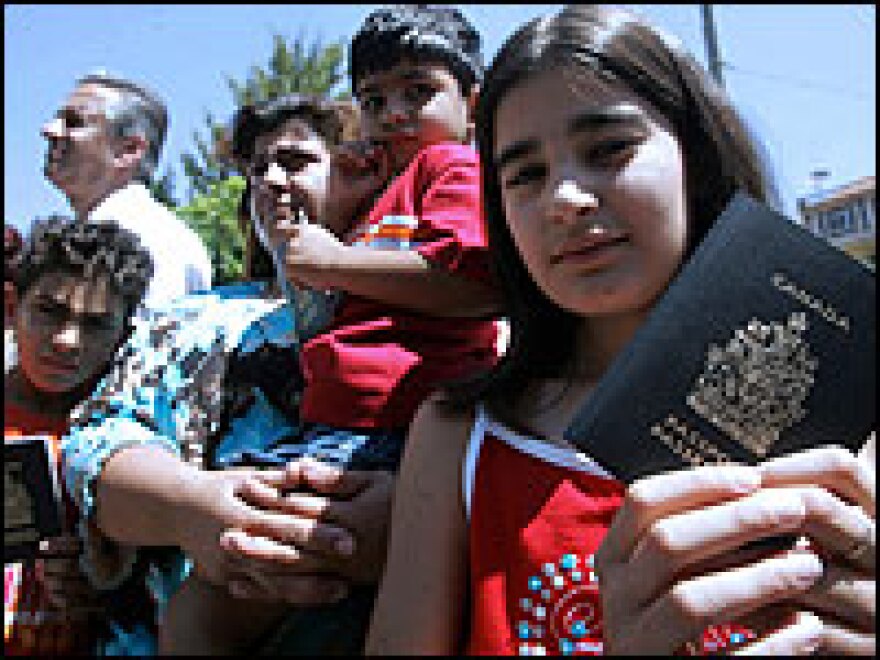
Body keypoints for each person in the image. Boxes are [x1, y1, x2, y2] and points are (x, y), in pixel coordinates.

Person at [367, 5, 876, 656]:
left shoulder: (850, 424)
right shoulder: (456, 435)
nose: (565, 199)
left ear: (698, 154)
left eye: (609, 149)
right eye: (524, 174)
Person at [159, 4, 504, 653]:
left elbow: (473, 285)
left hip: (392, 433)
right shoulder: (383, 198)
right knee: (208, 598)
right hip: (330, 432)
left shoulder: (454, 167)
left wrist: (335, 258)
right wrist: (345, 212)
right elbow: (320, 313)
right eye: (374, 100)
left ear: (474, 104)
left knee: (215, 608)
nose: (395, 114)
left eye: (418, 91)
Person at [60, 93, 394, 656]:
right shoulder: (188, 320)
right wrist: (193, 508)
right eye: (256, 169)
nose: (269, 181)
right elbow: (99, 441)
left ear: (361, 170)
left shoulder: (424, 313)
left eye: (293, 161)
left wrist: (402, 518)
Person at [5, 216, 154, 654]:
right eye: (50, 312)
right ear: (12, 308)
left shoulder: (135, 445)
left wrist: (103, 584)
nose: (68, 340)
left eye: (95, 324)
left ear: (124, 335)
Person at [42, 71, 212, 306]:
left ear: (129, 150)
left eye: (74, 122)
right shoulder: (117, 229)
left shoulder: (147, 239)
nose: (48, 130)